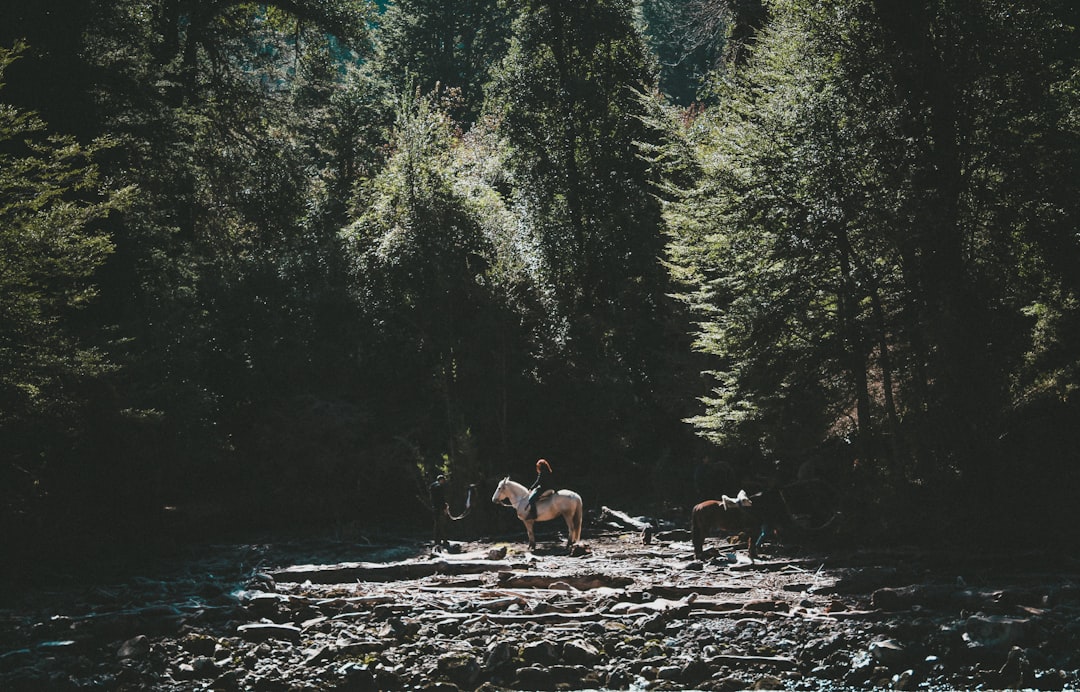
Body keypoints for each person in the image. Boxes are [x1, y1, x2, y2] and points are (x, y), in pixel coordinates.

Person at [429, 474, 450, 545]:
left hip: (435, 507)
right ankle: (444, 540)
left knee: (437, 524)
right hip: (440, 508)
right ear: (441, 480)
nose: (444, 482)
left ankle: (437, 540)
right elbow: (441, 499)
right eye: (443, 480)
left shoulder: (432, 486)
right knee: (442, 524)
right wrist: (444, 507)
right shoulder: (439, 487)